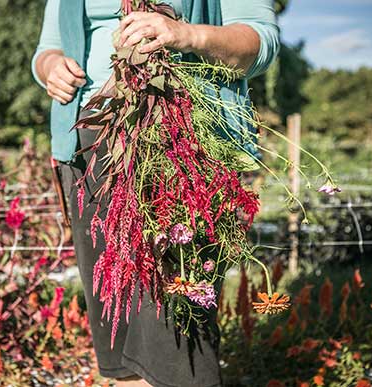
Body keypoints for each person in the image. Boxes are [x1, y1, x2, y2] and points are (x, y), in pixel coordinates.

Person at [31, 1, 279, 386]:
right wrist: (50, 68)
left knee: (176, 336)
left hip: (183, 142)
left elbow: (259, 42)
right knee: (117, 326)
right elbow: (48, 48)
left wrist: (187, 34)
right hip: (87, 145)